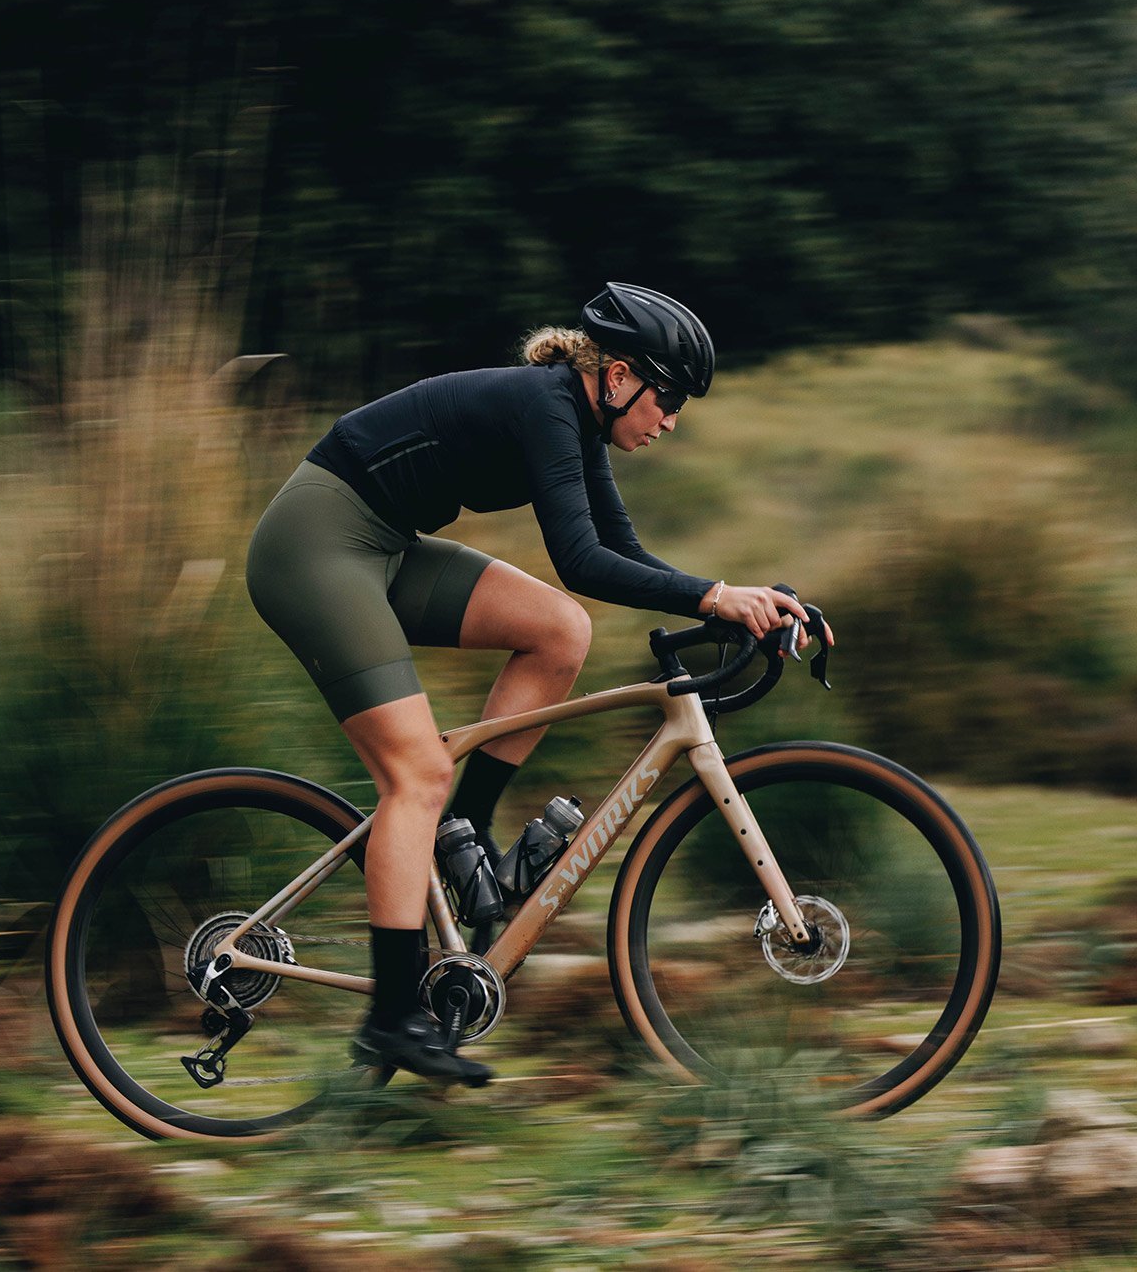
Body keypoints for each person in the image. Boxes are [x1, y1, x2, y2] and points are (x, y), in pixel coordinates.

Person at [245, 282, 820, 1086]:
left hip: (384, 546)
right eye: (668, 399)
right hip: (315, 546)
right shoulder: (547, 405)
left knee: (560, 630)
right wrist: (715, 598)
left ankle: (465, 830)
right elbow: (580, 561)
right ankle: (390, 1018)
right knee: (417, 773)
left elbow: (624, 551)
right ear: (617, 377)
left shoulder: (577, 420)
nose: (671, 420)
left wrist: (741, 600)